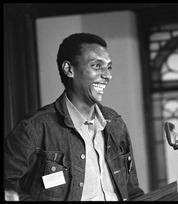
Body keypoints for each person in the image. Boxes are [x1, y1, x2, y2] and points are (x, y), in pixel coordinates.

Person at [4, 33, 144, 201]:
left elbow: (133, 192)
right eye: (97, 66)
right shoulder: (33, 129)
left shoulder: (115, 124)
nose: (108, 75)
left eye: (109, 67)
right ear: (69, 69)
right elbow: (7, 190)